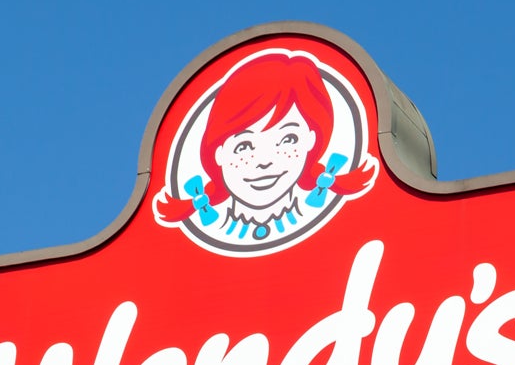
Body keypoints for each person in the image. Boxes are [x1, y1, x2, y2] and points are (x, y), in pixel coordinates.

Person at [153, 51, 374, 237]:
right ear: (218, 152)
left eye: (287, 140)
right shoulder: (211, 228)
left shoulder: (334, 222)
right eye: (244, 146)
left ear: (311, 140)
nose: (265, 161)